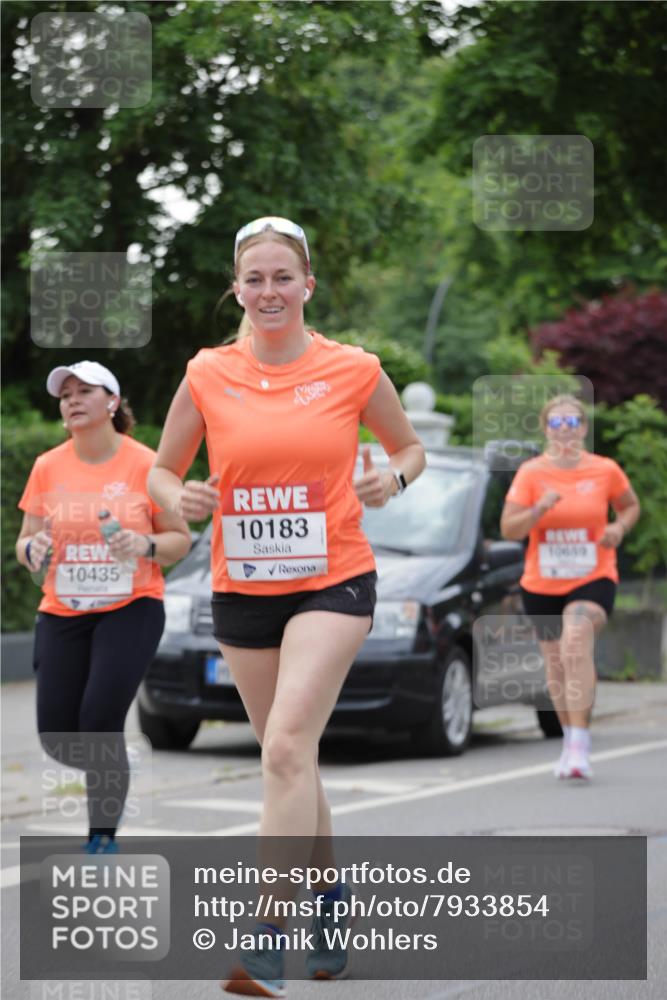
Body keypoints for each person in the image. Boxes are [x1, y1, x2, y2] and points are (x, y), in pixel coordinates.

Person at [148, 216, 426, 996]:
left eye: (283, 277)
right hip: (242, 587)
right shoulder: (206, 372)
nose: (269, 291)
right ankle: (330, 899)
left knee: (282, 747)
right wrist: (186, 497)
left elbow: (410, 449)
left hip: (332, 579)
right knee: (291, 758)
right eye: (254, 279)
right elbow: (161, 474)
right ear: (236, 289)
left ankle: (267, 931)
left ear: (307, 284)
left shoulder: (353, 369)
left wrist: (391, 481)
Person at [16, 361, 191, 853]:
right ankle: (112, 763)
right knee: (55, 733)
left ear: (112, 402)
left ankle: (101, 837)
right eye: (65, 393)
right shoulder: (48, 466)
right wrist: (32, 551)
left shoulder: (147, 465)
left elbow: (180, 539)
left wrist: (144, 545)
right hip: (63, 608)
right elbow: (26, 540)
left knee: (98, 720)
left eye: (84, 391)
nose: (71, 399)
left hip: (131, 606)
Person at [500, 394, 640, 781]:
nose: (565, 431)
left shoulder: (605, 470)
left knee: (575, 638)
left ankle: (580, 743)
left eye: (572, 423)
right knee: (556, 663)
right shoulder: (530, 473)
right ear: (546, 429)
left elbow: (630, 506)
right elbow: (509, 529)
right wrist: (538, 509)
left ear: (583, 428)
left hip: (593, 575)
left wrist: (619, 527)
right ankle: (569, 739)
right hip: (542, 582)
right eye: (557, 424)